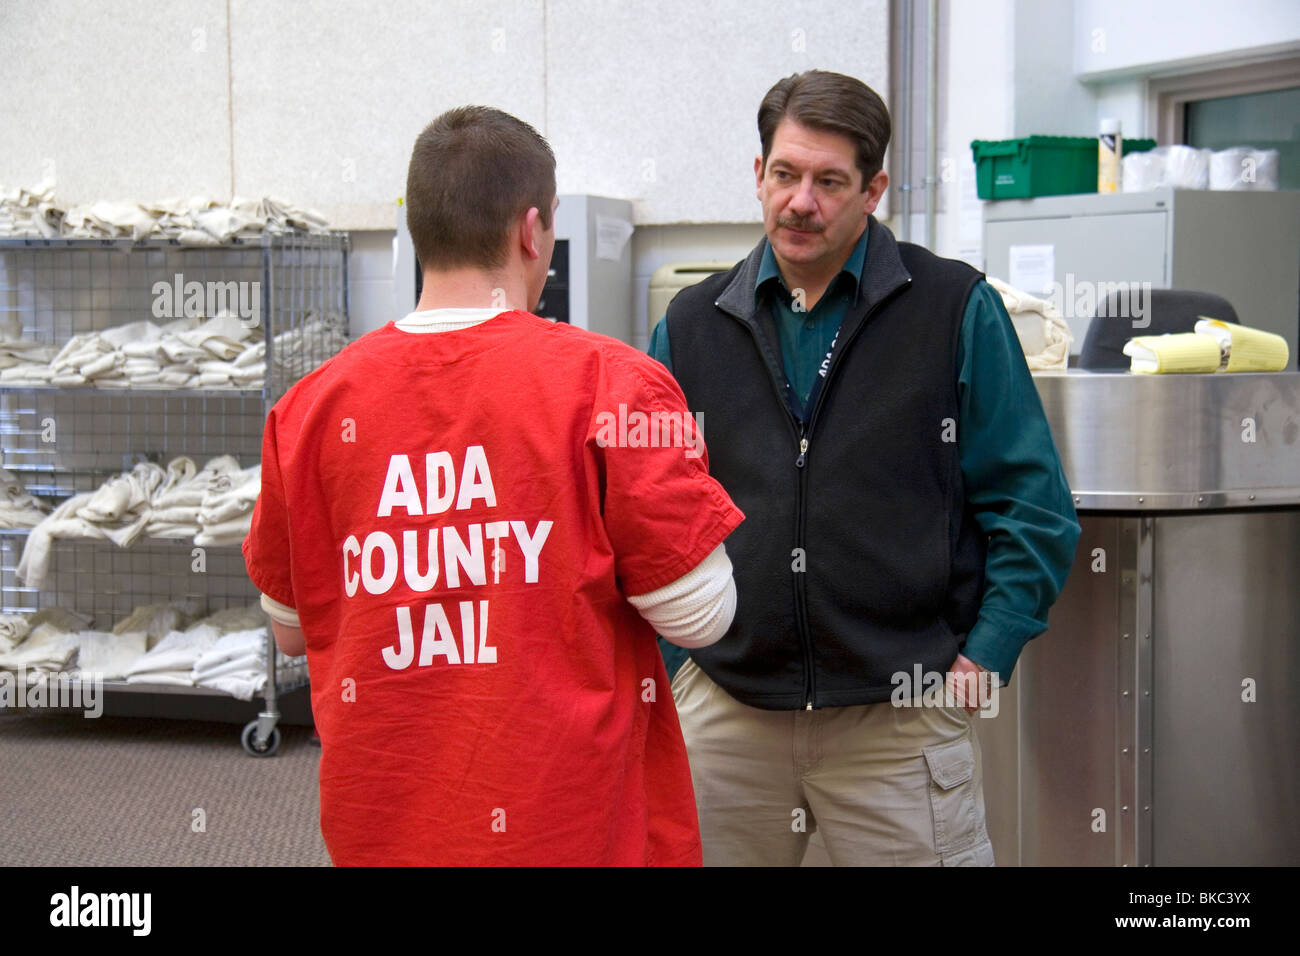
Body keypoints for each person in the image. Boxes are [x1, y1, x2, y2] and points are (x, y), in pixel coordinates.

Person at [243, 106, 744, 866]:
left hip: (389, 825)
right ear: (530, 231)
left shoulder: (308, 410)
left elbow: (289, 627)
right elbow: (701, 617)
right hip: (575, 829)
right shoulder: (617, 386)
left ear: (418, 232)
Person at [649, 70, 1080, 866]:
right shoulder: (689, 326)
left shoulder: (953, 308)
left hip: (900, 721)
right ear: (758, 173)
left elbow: (1033, 507)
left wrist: (980, 661)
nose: (800, 201)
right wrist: (680, 671)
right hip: (727, 717)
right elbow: (651, 512)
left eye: (829, 181)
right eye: (784, 174)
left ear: (874, 187)